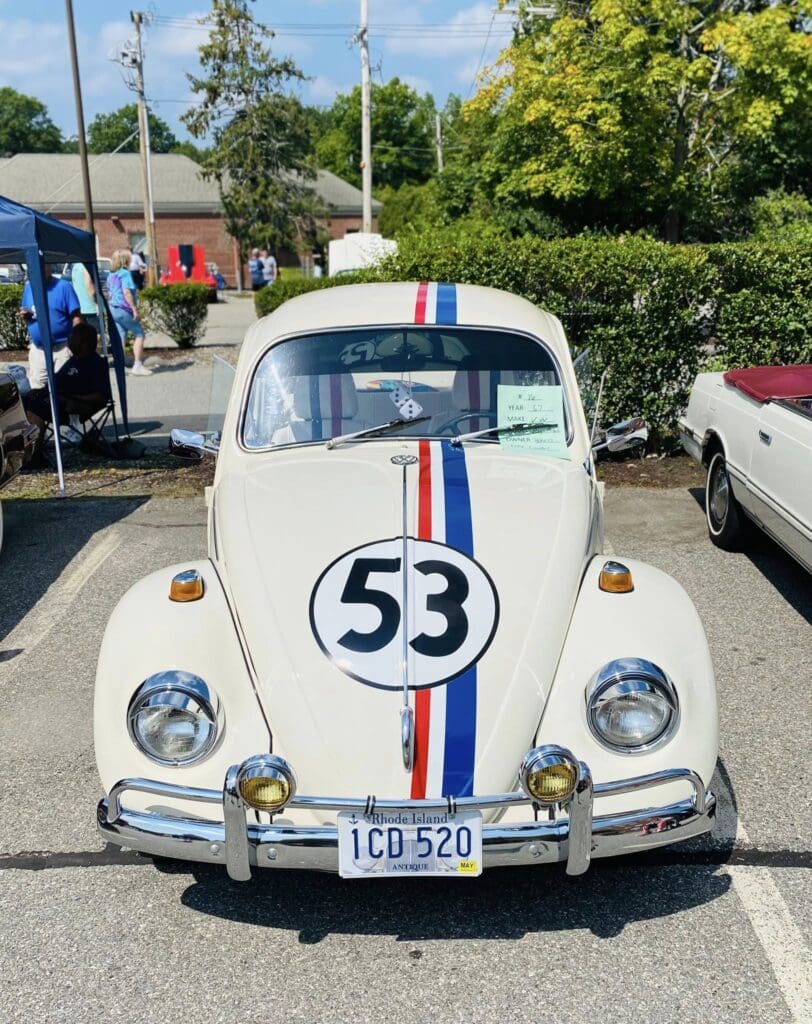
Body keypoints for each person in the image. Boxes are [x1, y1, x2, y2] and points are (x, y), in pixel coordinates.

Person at [24, 321, 111, 459]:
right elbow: (56, 383)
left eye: (72, 337)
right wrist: (39, 391)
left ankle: (33, 455)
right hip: (55, 399)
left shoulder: (96, 364)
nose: (69, 341)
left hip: (73, 407)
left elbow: (101, 396)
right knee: (18, 403)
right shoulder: (72, 361)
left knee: (34, 409)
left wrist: (75, 398)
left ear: (84, 342)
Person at [19, 264, 82, 390]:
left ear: (49, 267)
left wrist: (76, 342)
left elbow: (76, 316)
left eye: (42, 267)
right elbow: (25, 311)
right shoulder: (29, 288)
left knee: (64, 388)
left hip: (62, 348)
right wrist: (26, 315)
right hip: (38, 349)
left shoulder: (63, 287)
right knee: (37, 389)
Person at [108, 249, 151, 376]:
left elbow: (109, 293)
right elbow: (126, 292)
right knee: (139, 334)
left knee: (121, 335)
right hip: (124, 308)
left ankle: (119, 365)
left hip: (113, 308)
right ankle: (137, 365)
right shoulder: (125, 274)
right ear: (126, 260)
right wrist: (134, 308)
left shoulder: (111, 275)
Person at [70, 262, 100, 338]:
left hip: (79, 306)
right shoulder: (86, 266)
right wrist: (96, 303)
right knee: (96, 334)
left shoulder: (75, 267)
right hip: (91, 308)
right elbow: (89, 284)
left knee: (83, 335)